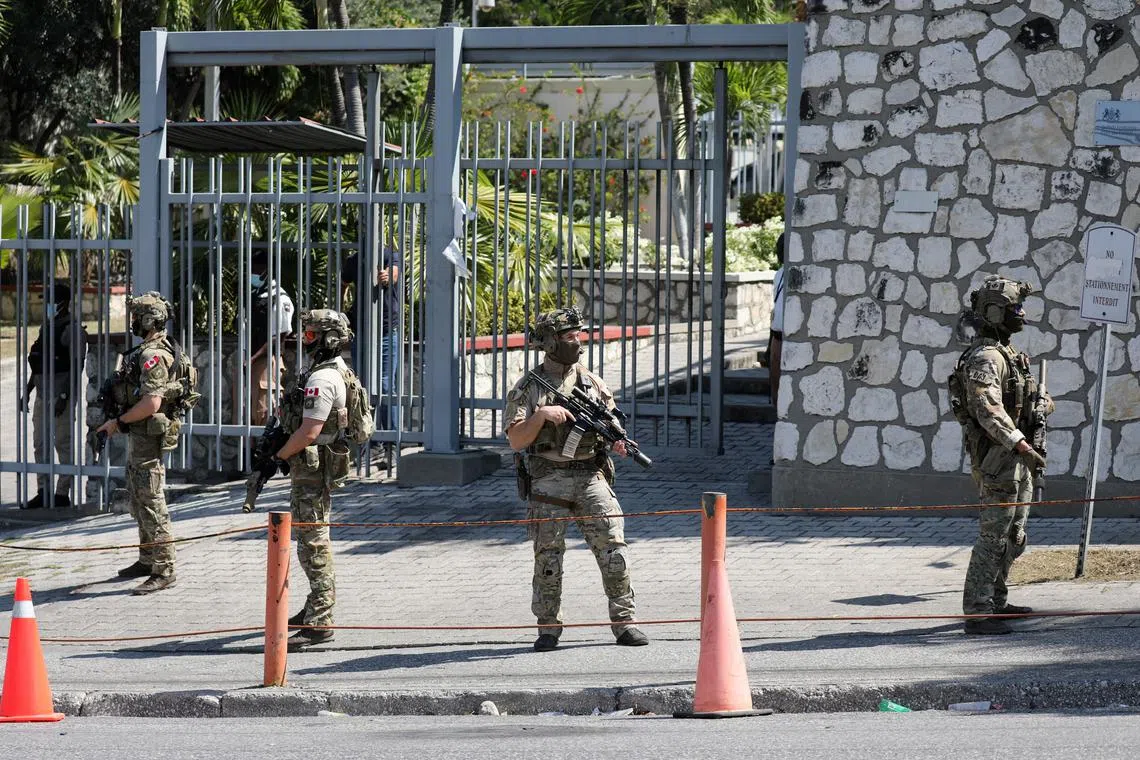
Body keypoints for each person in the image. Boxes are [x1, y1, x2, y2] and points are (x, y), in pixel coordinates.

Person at [504, 306, 648, 652]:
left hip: (589, 476)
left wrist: (617, 441)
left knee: (614, 549)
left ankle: (625, 622)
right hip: (548, 477)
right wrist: (541, 416)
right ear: (551, 342)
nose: (577, 342)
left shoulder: (591, 382)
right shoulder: (528, 388)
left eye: (579, 336)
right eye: (570, 337)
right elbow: (515, 440)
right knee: (548, 558)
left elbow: (613, 425)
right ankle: (548, 627)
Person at [952, 275, 1053, 635]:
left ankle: (997, 600)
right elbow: (986, 408)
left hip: (1016, 458)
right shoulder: (985, 357)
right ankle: (977, 612)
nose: (1022, 313)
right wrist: (1020, 444)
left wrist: (1042, 404)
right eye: (1014, 309)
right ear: (995, 312)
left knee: (1014, 535)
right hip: (998, 459)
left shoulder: (1009, 355)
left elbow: (1020, 401)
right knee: (993, 536)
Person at [272, 309, 355, 651]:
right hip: (314, 469)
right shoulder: (334, 371)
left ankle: (320, 621)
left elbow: (309, 431)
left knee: (314, 543)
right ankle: (315, 608)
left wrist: (279, 455)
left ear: (328, 339)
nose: (305, 341)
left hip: (313, 470)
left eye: (309, 335)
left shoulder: (323, 379)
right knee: (311, 540)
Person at [95, 292, 188, 595]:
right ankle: (147, 558)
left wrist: (118, 423)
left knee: (151, 499)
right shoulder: (148, 349)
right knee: (138, 495)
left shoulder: (153, 356)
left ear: (149, 320)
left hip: (148, 434)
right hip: (142, 434)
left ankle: (165, 567)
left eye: (137, 317)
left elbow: (151, 402)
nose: (133, 322)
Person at [22, 282, 87, 509]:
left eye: (52, 301)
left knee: (63, 443)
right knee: (40, 444)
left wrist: (64, 396)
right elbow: (38, 365)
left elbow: (76, 367)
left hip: (61, 396)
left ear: (65, 303)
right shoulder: (46, 327)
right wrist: (27, 391)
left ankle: (62, 493)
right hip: (42, 394)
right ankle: (44, 491)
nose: (48, 306)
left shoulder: (74, 330)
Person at [342, 244, 402, 431]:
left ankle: (390, 438)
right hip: (361, 330)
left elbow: (394, 272)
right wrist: (342, 308)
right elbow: (343, 283)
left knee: (385, 386)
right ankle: (371, 440)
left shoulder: (389, 255)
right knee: (362, 385)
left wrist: (387, 277)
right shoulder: (354, 260)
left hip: (385, 330)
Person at [233, 251, 295, 426]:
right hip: (249, 360)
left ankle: (263, 453)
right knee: (245, 414)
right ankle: (248, 452)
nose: (251, 274)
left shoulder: (280, 298)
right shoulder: (255, 295)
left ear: (265, 271)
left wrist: (251, 359)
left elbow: (279, 336)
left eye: (254, 269)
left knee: (264, 412)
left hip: (266, 362)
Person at [766, 233, 786, 412]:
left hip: (779, 336)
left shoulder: (779, 275)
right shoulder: (780, 275)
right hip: (779, 336)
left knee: (777, 387)